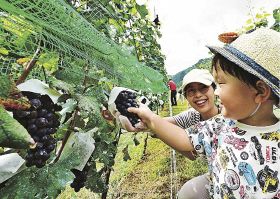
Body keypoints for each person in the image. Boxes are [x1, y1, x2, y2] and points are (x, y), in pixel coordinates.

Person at [127, 28, 280, 199]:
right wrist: (151, 120)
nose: (216, 92)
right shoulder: (220, 124)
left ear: (260, 91)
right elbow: (184, 139)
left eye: (221, 84)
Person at [118, 68, 221, 199]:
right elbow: (160, 124)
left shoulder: (228, 116)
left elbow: (157, 124)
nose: (198, 95)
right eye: (191, 91)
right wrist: (126, 113)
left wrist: (152, 124)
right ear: (186, 97)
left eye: (203, 88)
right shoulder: (192, 116)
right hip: (215, 173)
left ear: (214, 90)